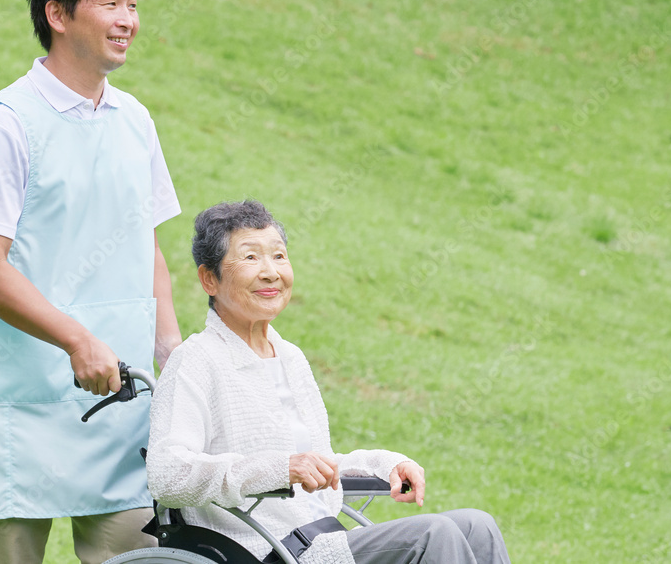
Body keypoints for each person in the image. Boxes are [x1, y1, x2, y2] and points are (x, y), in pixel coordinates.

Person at [0, 0, 182, 564]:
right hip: (15, 410)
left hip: (120, 404)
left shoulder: (136, 121)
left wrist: (175, 356)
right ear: (58, 13)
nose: (128, 20)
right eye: (111, 4)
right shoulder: (6, 124)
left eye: (133, 5)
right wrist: (76, 339)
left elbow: (146, 249)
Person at [146, 201, 510, 564]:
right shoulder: (195, 361)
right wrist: (280, 468)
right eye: (251, 258)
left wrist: (384, 464)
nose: (271, 272)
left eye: (279, 256)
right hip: (266, 550)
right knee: (434, 534)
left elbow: (318, 465)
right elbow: (168, 475)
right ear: (210, 278)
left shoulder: (289, 357)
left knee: (478, 525)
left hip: (324, 539)